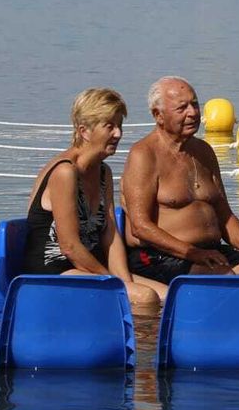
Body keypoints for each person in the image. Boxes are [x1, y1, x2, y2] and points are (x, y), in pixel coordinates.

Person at [123, 76, 239, 283]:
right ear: (158, 115)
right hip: (158, 255)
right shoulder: (143, 155)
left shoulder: (204, 151)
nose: (193, 113)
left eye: (195, 105)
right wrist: (193, 253)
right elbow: (140, 226)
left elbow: (224, 215)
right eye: (182, 108)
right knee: (219, 276)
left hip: (210, 252)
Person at [22, 87, 160, 313]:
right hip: (52, 272)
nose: (118, 134)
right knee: (145, 298)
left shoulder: (103, 171)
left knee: (171, 295)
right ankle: (134, 347)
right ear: (84, 131)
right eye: (110, 126)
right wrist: (112, 282)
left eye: (119, 125)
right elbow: (69, 246)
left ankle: (149, 345)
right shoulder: (64, 172)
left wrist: (124, 279)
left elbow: (110, 235)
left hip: (87, 268)